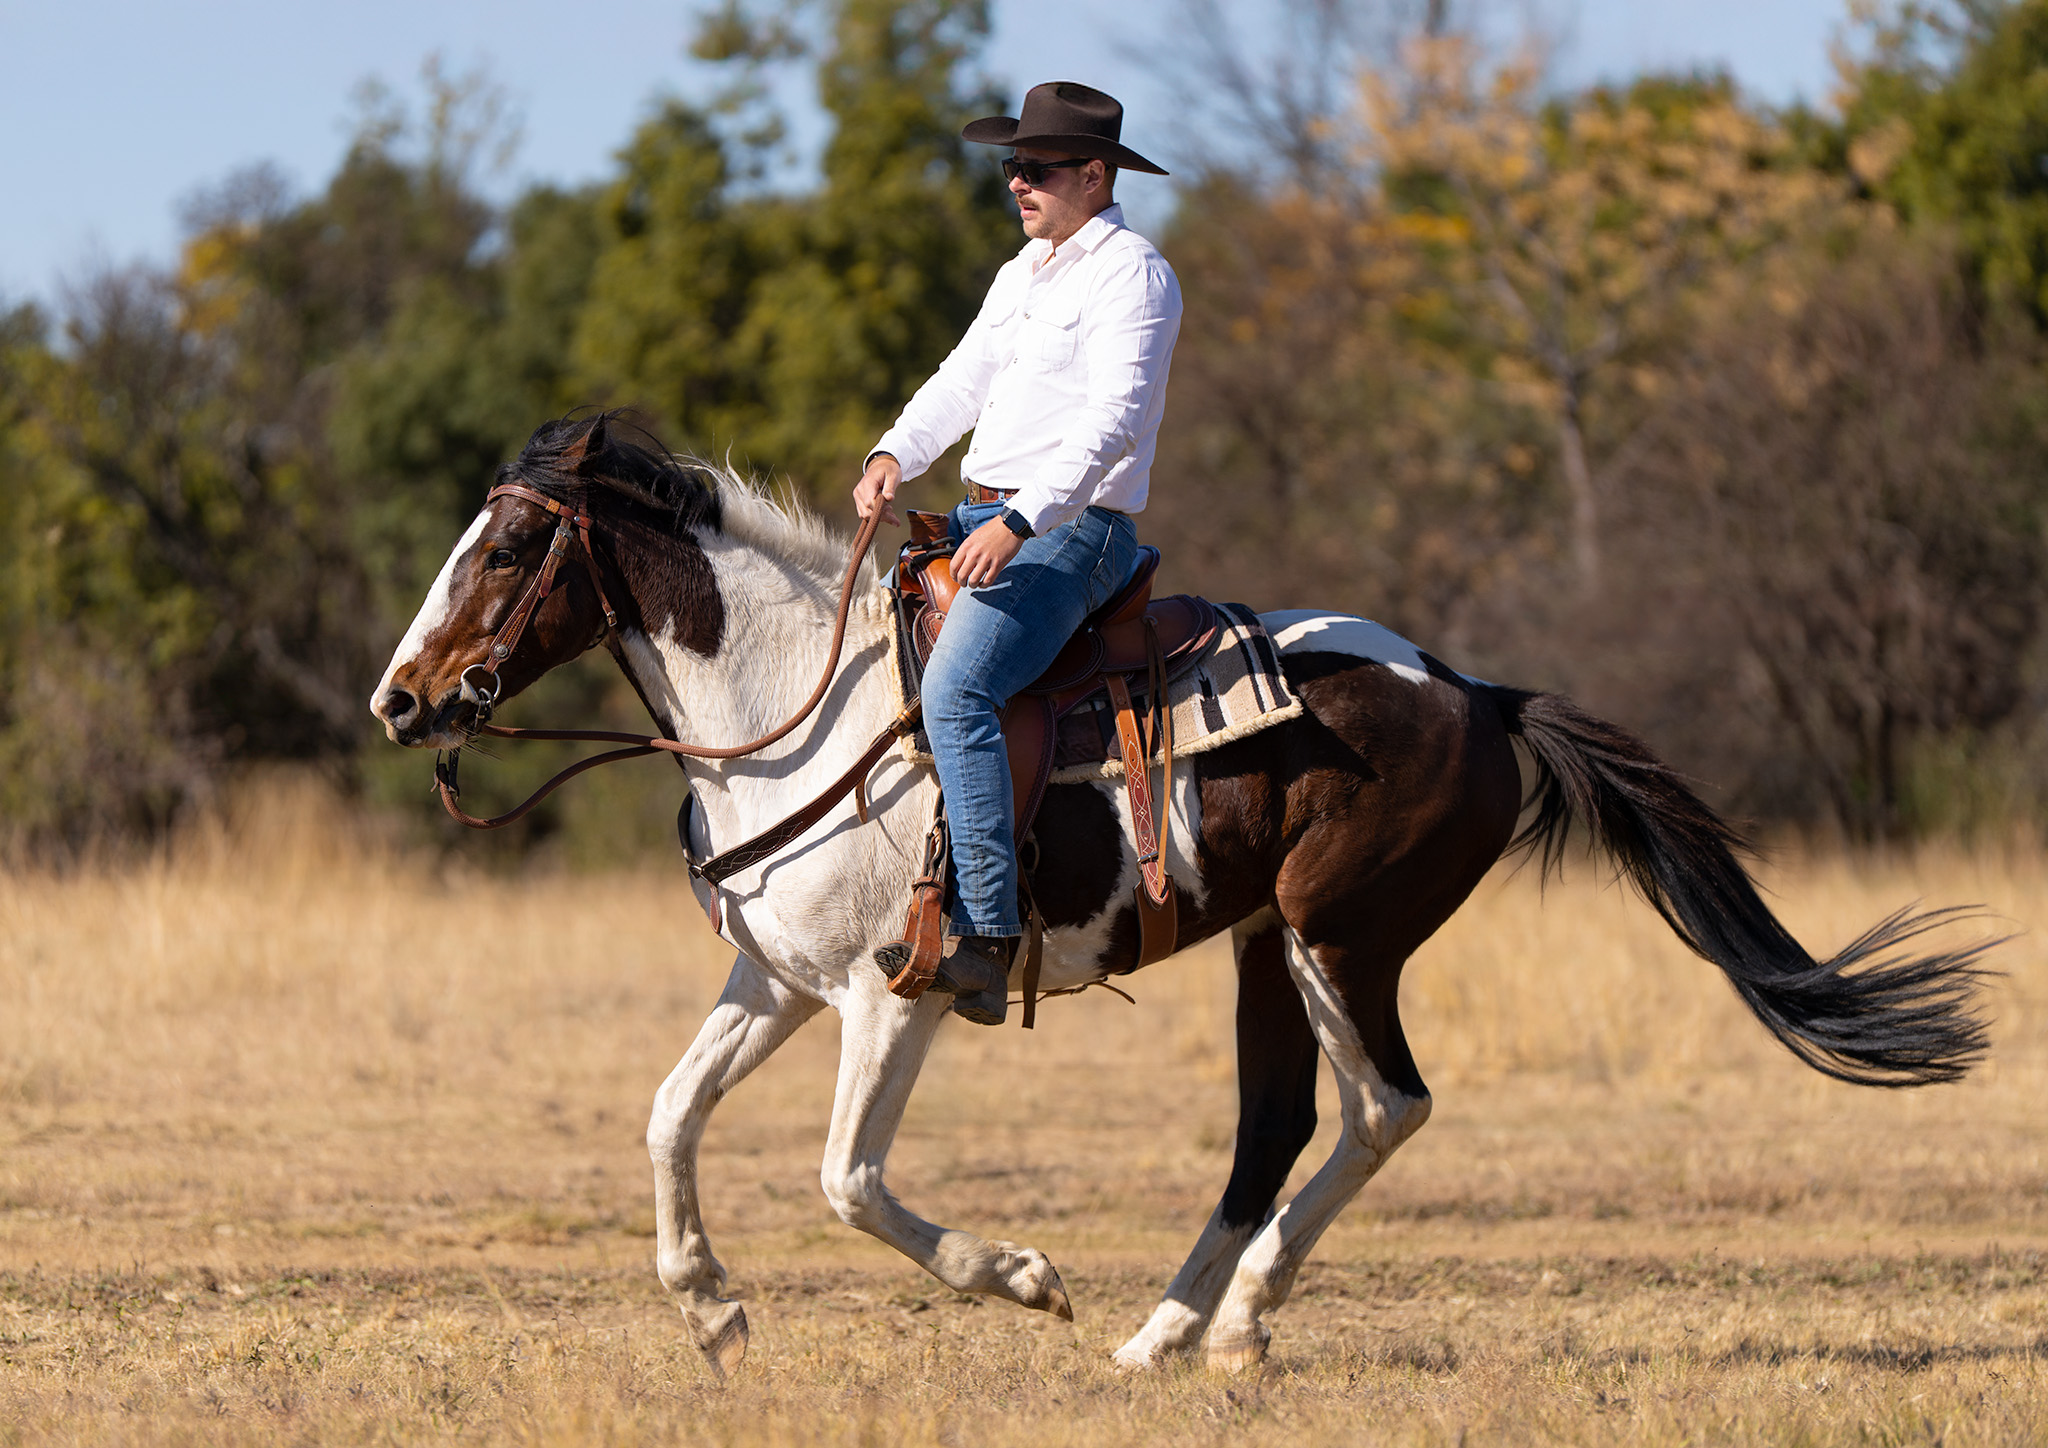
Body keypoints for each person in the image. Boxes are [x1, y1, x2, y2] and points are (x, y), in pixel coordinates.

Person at [854, 81, 1182, 1026]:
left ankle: (986, 935)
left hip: (1077, 531)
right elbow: (963, 380)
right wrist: (893, 452)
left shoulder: (1134, 275)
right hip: (981, 516)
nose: (1016, 183)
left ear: (1095, 175)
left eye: (1036, 168)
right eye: (1012, 165)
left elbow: (1113, 422)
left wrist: (1023, 520)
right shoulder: (1023, 271)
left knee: (958, 689)